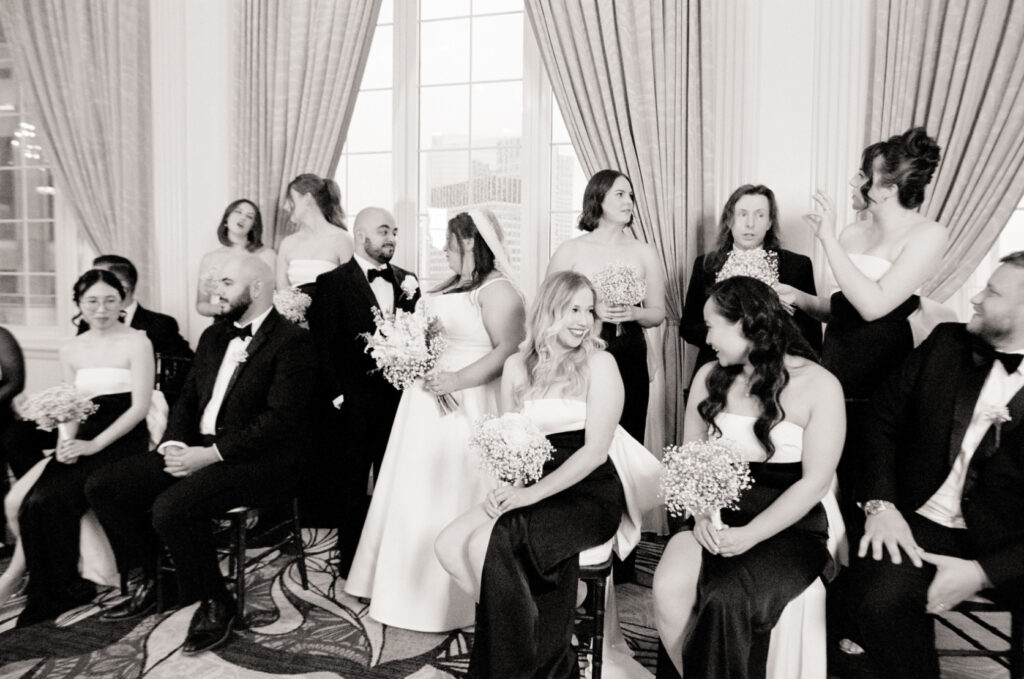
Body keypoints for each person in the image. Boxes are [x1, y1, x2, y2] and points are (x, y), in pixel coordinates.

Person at [84, 254, 315, 654]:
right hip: (197, 447)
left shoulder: (292, 341)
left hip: (259, 460)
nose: (215, 291)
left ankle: (216, 601)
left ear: (256, 289)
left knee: (171, 508)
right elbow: (188, 398)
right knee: (103, 486)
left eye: (226, 283)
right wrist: (175, 443)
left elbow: (280, 422)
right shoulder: (213, 336)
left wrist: (212, 455)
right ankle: (160, 578)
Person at [435, 270, 661, 678]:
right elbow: (510, 443)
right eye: (573, 309)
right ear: (548, 310)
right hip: (532, 484)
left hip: (589, 492)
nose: (583, 320)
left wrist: (527, 497)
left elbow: (594, 453)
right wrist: (509, 488)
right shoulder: (516, 366)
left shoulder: (601, 363)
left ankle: (524, 662)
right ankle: (542, 629)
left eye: (589, 311)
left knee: (493, 542)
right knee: (449, 545)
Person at [653, 276, 844, 678]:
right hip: (714, 517)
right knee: (669, 590)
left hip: (788, 527)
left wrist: (751, 534)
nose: (707, 339)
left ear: (745, 324)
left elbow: (815, 482)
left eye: (712, 327)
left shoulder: (820, 385)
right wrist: (702, 516)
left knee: (724, 597)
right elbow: (692, 459)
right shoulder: (709, 377)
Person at [343, 210, 526, 632]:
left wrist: (456, 380)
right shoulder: (450, 285)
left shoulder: (499, 290)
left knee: (451, 488)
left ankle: (448, 599)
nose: (444, 249)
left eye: (450, 242)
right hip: (424, 401)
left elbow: (508, 351)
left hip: (468, 400)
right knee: (413, 489)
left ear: (471, 242)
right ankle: (396, 585)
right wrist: (406, 356)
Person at [846, 251, 1024, 679]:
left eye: (992, 292)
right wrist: (881, 505)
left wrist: (983, 573)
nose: (976, 298)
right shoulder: (947, 343)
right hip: (919, 522)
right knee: (878, 601)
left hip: (1012, 543)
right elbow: (880, 422)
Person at [779, 127, 945, 508]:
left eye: (862, 174)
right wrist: (799, 298)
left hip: (883, 372)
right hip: (837, 363)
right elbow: (843, 307)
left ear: (886, 189)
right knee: (824, 473)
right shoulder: (853, 233)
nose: (854, 182)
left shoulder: (929, 234)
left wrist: (827, 239)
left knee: (868, 474)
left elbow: (874, 306)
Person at [8, 269, 154, 625]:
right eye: (92, 301)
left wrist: (94, 445)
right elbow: (70, 406)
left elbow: (139, 408)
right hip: (84, 433)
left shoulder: (138, 342)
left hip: (123, 437)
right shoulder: (71, 348)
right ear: (79, 304)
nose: (101, 309)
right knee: (37, 500)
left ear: (122, 301)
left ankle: (60, 586)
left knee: (57, 496)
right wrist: (67, 442)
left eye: (110, 300)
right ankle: (55, 588)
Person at [305, 207, 419, 577]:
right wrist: (338, 396)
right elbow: (322, 347)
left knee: (394, 483)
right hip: (352, 404)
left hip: (399, 402)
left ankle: (390, 563)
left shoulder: (408, 280)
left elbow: (417, 337)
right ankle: (351, 564)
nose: (392, 238)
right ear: (360, 235)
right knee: (352, 486)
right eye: (384, 230)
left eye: (395, 232)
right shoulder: (332, 282)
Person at [547, 169, 666, 444]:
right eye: (620, 194)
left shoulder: (644, 252)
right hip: (581, 347)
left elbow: (658, 313)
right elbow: (549, 306)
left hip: (630, 348)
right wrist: (590, 311)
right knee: (582, 428)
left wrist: (635, 312)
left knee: (629, 431)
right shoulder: (570, 250)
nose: (628, 202)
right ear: (598, 198)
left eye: (630, 196)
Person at [680, 184, 821, 383]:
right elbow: (688, 327)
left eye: (760, 215)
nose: (750, 224)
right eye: (742, 214)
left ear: (770, 222)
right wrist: (729, 335)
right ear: (729, 219)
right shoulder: (706, 265)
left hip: (778, 373)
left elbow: (811, 334)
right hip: (717, 369)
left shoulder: (797, 266)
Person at [78, 254, 193, 360]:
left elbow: (185, 367)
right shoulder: (88, 322)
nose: (89, 287)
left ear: (123, 287)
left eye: (97, 281)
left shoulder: (161, 324)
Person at [196, 199, 277, 318]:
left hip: (258, 321)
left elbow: (273, 296)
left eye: (249, 216)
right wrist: (218, 309)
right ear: (226, 219)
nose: (243, 218)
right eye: (238, 212)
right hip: (223, 322)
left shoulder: (267, 255)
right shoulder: (210, 258)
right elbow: (201, 305)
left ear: (253, 226)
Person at [276, 173, 354, 296]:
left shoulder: (342, 240)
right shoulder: (287, 244)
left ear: (307, 198)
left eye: (290, 199)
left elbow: (351, 290)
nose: (286, 206)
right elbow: (282, 294)